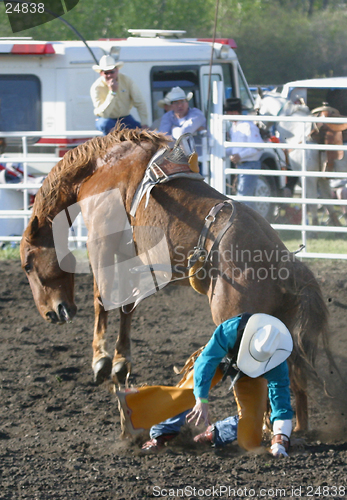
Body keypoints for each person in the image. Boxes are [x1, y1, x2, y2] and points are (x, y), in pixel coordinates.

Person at [140, 312, 293, 458]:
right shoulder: (231, 329)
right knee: (187, 392)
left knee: (250, 438)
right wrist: (201, 399)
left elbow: (282, 403)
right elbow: (206, 361)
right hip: (220, 360)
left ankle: (214, 433)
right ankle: (161, 434)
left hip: (252, 378)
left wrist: (280, 440)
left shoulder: (277, 364)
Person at [90, 55, 148, 135]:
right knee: (105, 124)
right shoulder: (96, 87)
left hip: (125, 118)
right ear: (101, 73)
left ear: (117, 70)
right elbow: (104, 114)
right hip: (107, 119)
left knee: (140, 132)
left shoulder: (127, 80)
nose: (109, 75)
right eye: (106, 73)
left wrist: (144, 123)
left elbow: (140, 102)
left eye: (112, 72)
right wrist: (112, 93)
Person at [225, 98, 265, 208]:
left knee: (244, 197)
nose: (227, 114)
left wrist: (240, 155)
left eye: (228, 112)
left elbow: (258, 147)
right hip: (243, 165)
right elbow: (235, 147)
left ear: (233, 112)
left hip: (249, 164)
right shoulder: (235, 127)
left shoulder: (248, 126)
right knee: (245, 197)